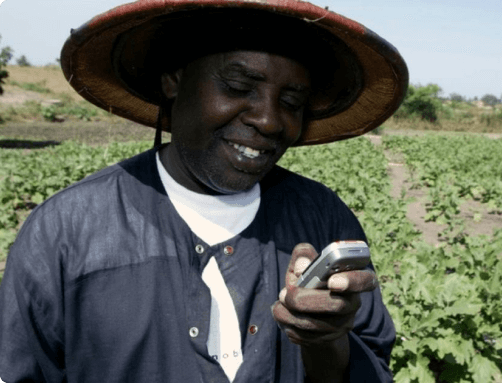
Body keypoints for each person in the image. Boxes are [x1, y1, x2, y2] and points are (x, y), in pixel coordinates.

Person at [0, 1, 408, 382]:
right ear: (174, 80)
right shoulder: (65, 232)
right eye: (237, 85)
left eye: (291, 101)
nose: (268, 119)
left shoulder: (323, 218)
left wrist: (327, 341)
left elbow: (370, 363)